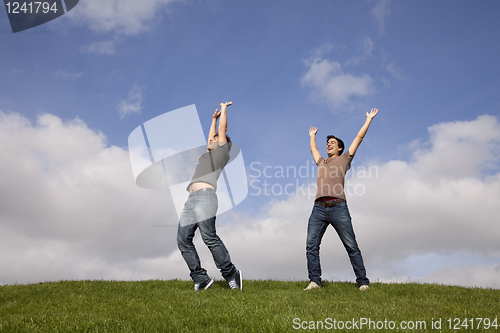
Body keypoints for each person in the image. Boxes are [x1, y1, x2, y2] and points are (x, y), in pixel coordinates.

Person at [304, 108, 378, 291]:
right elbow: (314, 149)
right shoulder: (321, 162)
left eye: (332, 142)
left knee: (351, 245)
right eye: (327, 142)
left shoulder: (345, 159)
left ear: (340, 148)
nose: (328, 144)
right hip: (318, 208)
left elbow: (358, 138)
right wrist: (313, 136)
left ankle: (362, 282)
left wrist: (368, 119)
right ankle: (315, 281)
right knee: (311, 245)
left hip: (338, 207)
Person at [177, 101, 242, 291]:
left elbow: (223, 129)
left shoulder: (222, 153)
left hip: (205, 198)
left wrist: (223, 110)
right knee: (183, 239)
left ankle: (231, 274)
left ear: (223, 143)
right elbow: (211, 136)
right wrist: (212, 120)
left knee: (208, 237)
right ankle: (201, 278)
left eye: (215, 138)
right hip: (190, 201)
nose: (210, 140)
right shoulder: (208, 155)